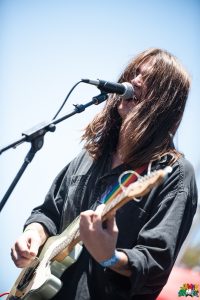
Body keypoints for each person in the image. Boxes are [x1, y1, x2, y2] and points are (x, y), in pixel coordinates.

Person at [10, 48, 198, 300]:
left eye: (148, 80)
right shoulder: (89, 157)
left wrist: (109, 257)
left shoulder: (174, 174)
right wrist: (33, 233)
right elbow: (48, 213)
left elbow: (155, 266)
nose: (135, 81)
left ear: (164, 102)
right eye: (136, 73)